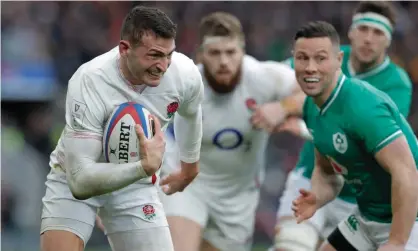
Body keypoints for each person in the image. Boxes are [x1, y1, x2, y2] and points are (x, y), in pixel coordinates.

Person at [40, 6, 204, 251]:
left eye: (168, 55)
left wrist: (189, 167)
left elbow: (191, 114)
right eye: (154, 55)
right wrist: (142, 167)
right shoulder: (90, 80)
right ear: (124, 49)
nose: (163, 65)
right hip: (77, 174)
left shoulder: (185, 75)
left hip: (135, 186)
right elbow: (79, 182)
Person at [273, 2, 414, 250]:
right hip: (369, 215)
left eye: (320, 59)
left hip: (409, 218)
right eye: (302, 59)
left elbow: (407, 171)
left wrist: (397, 241)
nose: (310, 68)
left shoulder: (364, 106)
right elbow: (328, 172)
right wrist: (317, 197)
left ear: (339, 60)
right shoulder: (312, 108)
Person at [159, 12, 302, 251]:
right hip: (188, 184)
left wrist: (282, 107)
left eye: (231, 52)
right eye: (215, 53)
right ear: (201, 54)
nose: (224, 61)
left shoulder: (263, 78)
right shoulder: (182, 83)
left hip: (238, 198)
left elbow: (310, 90)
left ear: (242, 52)